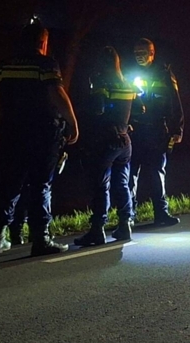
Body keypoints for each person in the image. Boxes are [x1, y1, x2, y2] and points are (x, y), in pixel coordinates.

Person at [0, 19, 77, 256]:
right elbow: (57, 92)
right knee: (41, 184)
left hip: (12, 130)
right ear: (43, 41)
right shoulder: (45, 63)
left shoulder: (7, 64)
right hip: (42, 131)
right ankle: (41, 239)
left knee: (10, 181)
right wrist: (72, 123)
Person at [73, 47, 137, 247]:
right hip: (125, 140)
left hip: (105, 140)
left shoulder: (101, 83)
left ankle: (97, 229)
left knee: (101, 186)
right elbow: (140, 107)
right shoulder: (127, 83)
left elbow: (97, 110)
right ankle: (125, 224)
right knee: (122, 183)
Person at [128, 38, 183, 226]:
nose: (139, 57)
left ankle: (161, 213)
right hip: (135, 130)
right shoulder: (129, 74)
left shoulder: (164, 74)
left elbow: (175, 103)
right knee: (130, 174)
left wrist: (178, 128)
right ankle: (128, 216)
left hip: (158, 130)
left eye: (142, 53)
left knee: (156, 173)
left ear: (152, 54)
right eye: (136, 53)